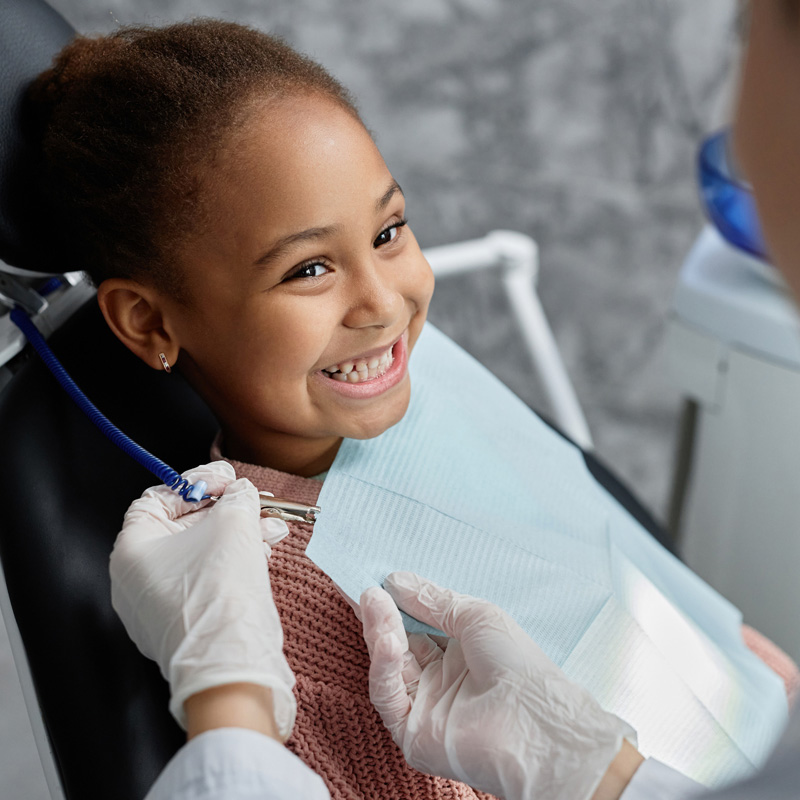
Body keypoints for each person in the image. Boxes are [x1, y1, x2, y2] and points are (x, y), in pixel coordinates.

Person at [31, 6, 798, 798]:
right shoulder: (274, 612)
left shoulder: (422, 381)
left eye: (390, 231)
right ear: (150, 320)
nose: (384, 304)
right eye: (307, 271)